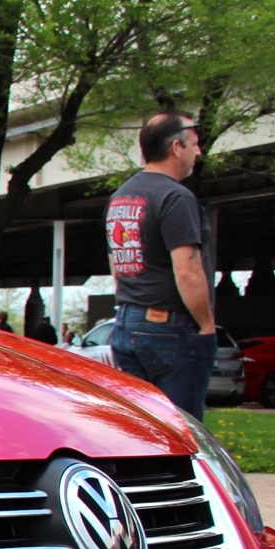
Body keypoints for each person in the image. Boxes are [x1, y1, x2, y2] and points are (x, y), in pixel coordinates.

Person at [106, 110, 214, 419]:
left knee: (142, 428)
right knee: (182, 428)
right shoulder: (175, 197)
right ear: (176, 147)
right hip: (171, 328)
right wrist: (206, 327)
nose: (198, 152)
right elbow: (187, 271)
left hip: (126, 322)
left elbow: (118, 266)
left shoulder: (120, 198)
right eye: (194, 144)